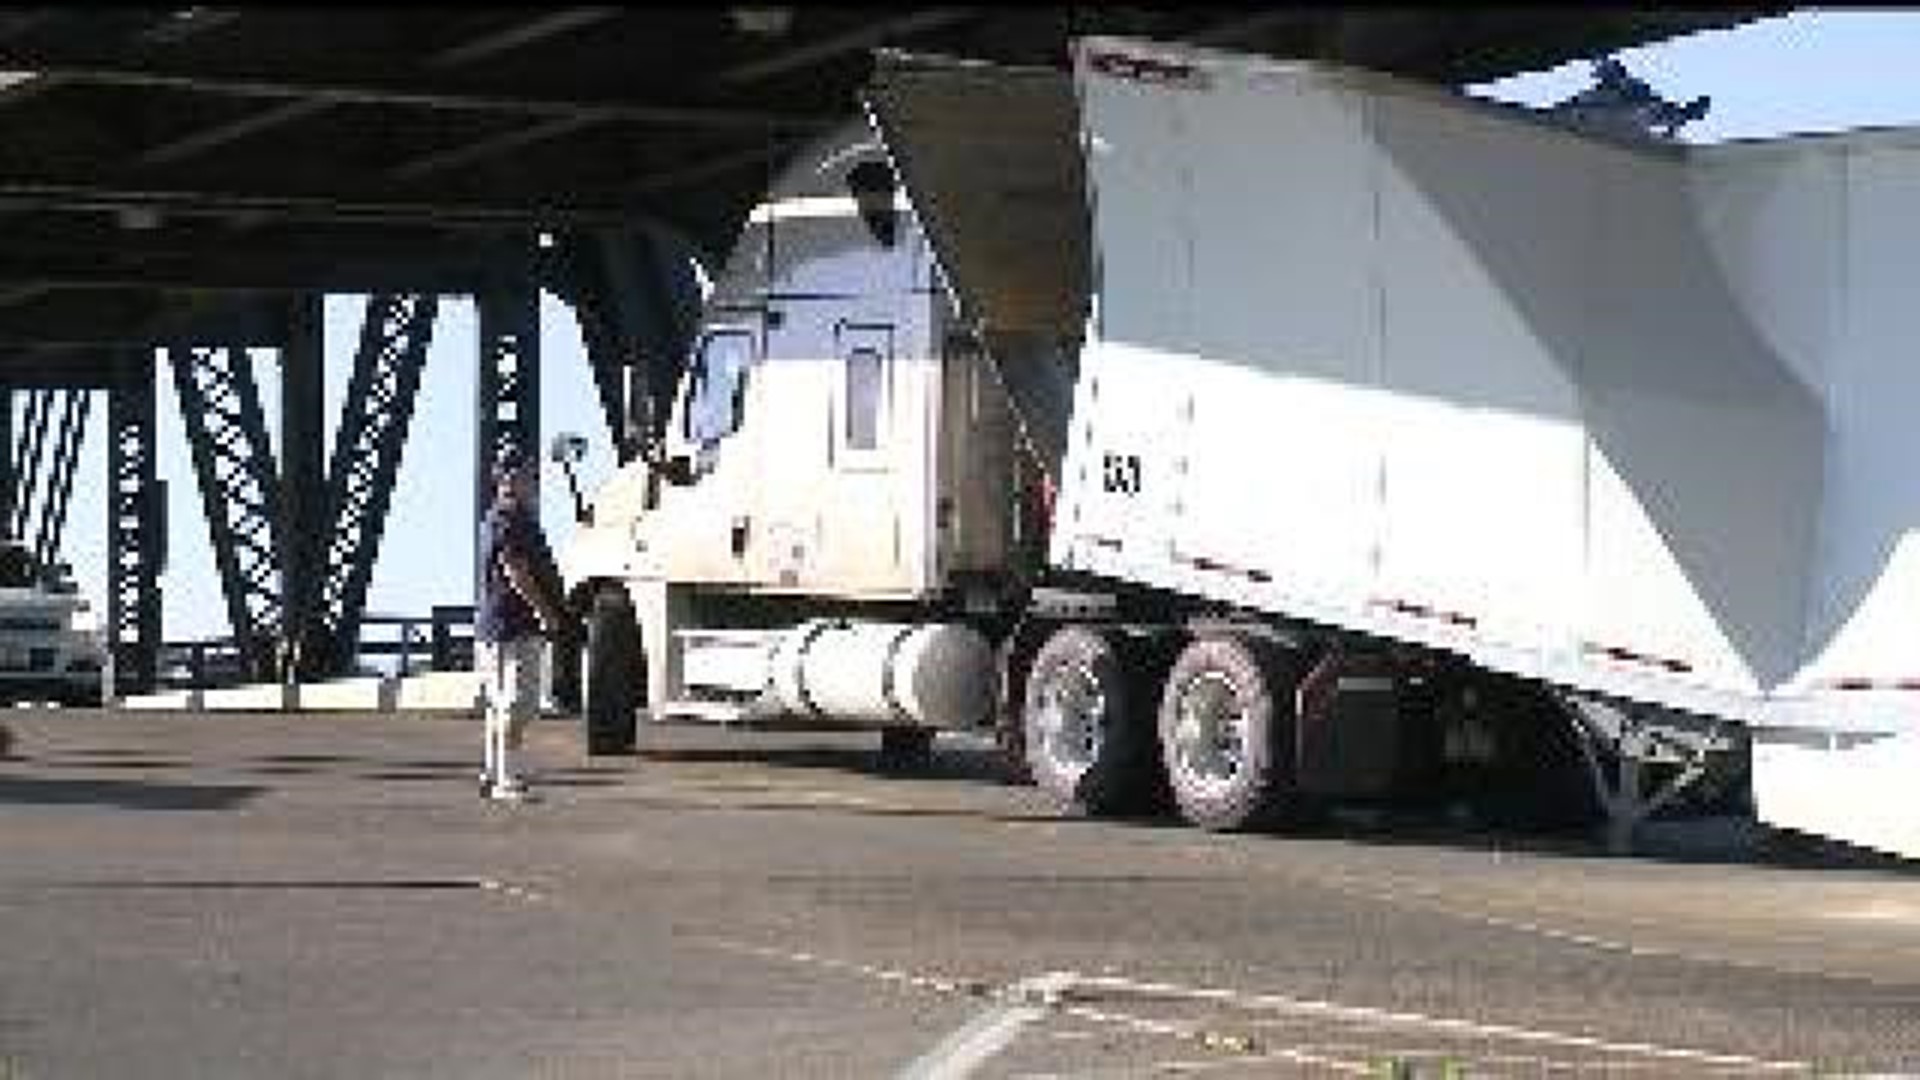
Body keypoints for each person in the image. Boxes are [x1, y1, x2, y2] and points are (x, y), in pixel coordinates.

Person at [475, 446, 566, 803]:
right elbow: (517, 572)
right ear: (506, 479)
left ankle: (493, 772)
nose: (529, 481)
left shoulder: (497, 517)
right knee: (521, 702)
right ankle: (506, 778)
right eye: (522, 475)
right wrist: (545, 611)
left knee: (500, 703)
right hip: (513, 623)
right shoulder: (512, 520)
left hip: (494, 624)